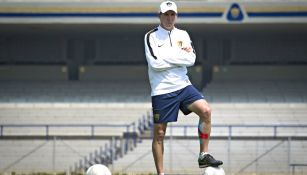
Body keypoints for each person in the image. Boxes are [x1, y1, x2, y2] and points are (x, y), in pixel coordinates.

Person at [144, 1, 223, 174]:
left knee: (206, 111)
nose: (169, 18)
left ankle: (204, 154)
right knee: (159, 134)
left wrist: (167, 56)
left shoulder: (184, 34)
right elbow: (155, 63)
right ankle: (161, 173)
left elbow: (191, 60)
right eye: (166, 14)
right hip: (162, 90)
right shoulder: (151, 36)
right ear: (160, 16)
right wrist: (179, 55)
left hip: (183, 85)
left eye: (173, 14)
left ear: (176, 16)